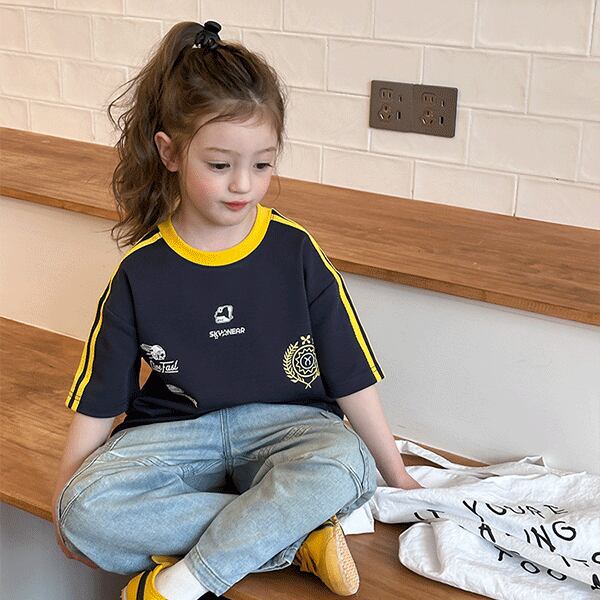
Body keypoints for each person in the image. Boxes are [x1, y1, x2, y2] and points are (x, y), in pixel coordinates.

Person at [51, 20, 422, 600]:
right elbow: (100, 397)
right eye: (220, 165)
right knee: (86, 512)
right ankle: (292, 535)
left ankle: (183, 582)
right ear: (170, 153)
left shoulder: (295, 250)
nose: (243, 185)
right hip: (174, 435)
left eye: (263, 165)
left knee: (347, 465)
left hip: (289, 428)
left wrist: (394, 472)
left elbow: (348, 369)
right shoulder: (140, 272)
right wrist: (65, 496)